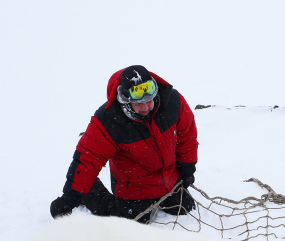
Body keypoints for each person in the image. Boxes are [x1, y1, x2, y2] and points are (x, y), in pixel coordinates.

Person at [50, 65, 198, 223]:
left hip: (170, 180)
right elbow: (88, 158)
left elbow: (187, 138)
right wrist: (70, 197)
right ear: (125, 98)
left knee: (184, 208)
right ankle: (90, 192)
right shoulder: (109, 119)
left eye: (149, 100)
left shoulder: (173, 102)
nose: (146, 107)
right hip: (134, 187)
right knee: (130, 223)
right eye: (139, 103)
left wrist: (187, 169)